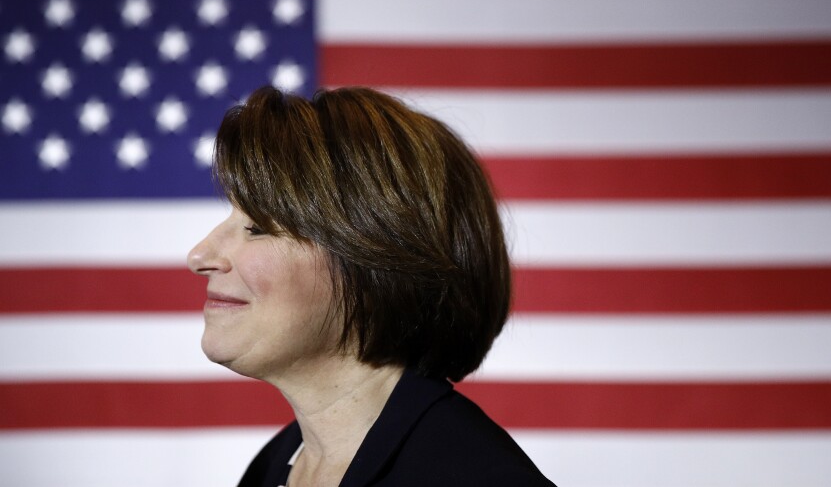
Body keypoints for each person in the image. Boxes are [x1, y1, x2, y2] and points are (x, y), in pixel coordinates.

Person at [187, 85, 556, 487]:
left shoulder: (480, 479)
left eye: (257, 228)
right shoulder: (273, 467)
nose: (199, 256)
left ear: (375, 256)